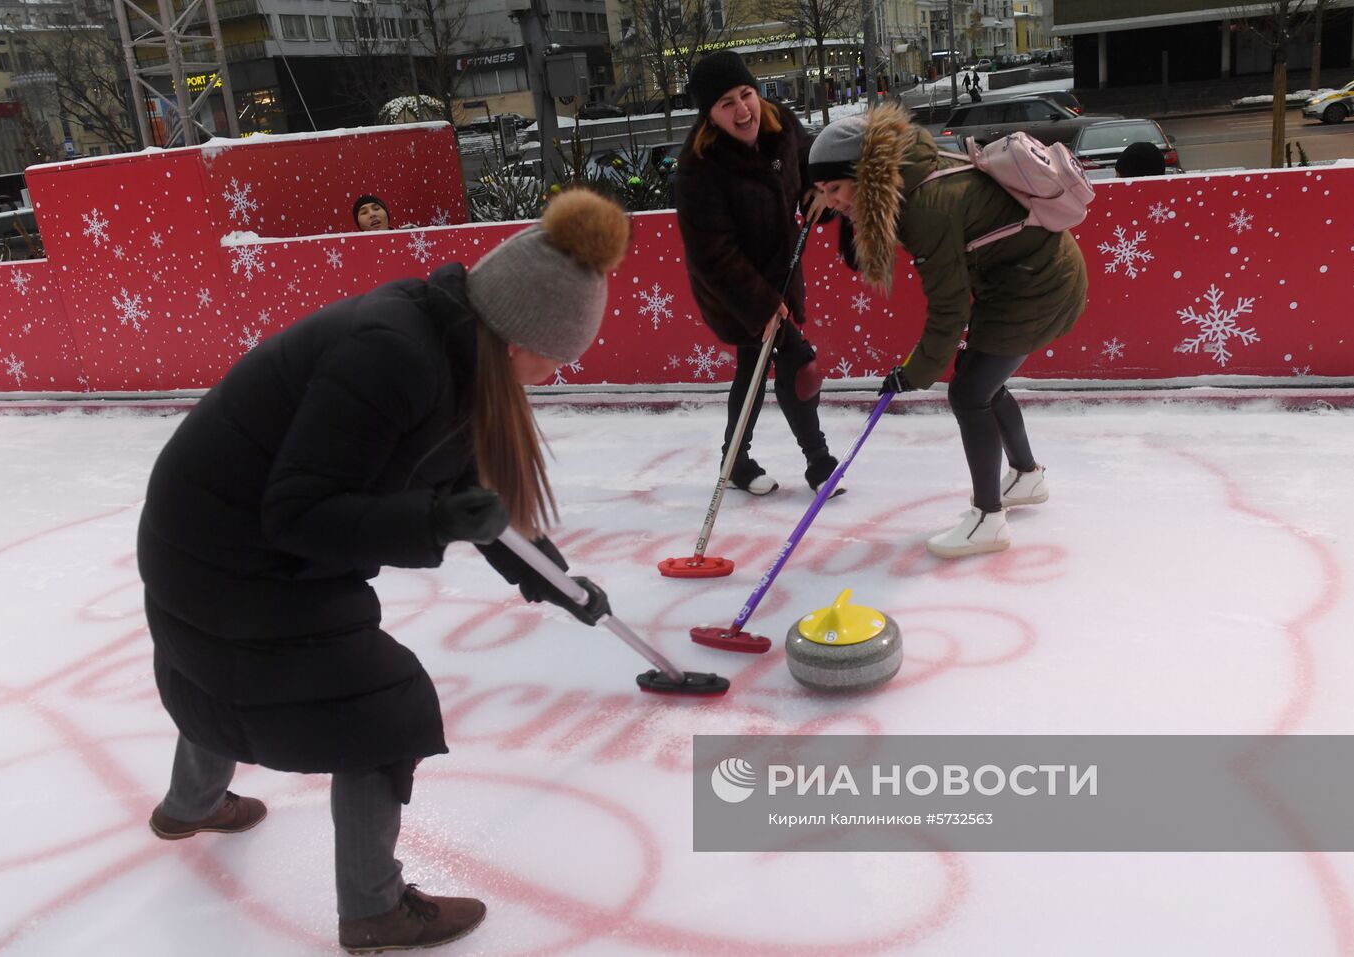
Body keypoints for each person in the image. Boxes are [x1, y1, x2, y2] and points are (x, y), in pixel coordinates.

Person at [139, 188, 627, 952]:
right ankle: (373, 909)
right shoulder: (394, 355)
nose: (558, 373)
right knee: (384, 705)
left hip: (203, 543)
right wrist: (429, 522)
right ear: (516, 339)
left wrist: (554, 580)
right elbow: (299, 514)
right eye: (559, 357)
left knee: (223, 668)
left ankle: (189, 801)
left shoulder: (445, 345)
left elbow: (475, 493)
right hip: (226, 554)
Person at [808, 103, 1087, 557]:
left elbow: (949, 307)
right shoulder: (912, 170)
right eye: (823, 192)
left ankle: (988, 519)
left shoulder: (925, 208)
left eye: (837, 188)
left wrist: (914, 373)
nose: (834, 201)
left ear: (865, 173)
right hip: (1023, 277)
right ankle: (1027, 475)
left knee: (969, 392)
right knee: (982, 380)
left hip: (1037, 285)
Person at [673, 49, 843, 497]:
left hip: (784, 273)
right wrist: (761, 305)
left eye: (746, 94)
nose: (743, 109)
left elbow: (813, 169)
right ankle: (819, 462)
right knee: (799, 365)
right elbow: (713, 255)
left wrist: (820, 193)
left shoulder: (782, 126)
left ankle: (736, 461)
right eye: (727, 103)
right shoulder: (699, 168)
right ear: (710, 115)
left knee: (753, 370)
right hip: (736, 289)